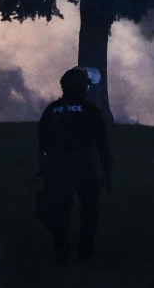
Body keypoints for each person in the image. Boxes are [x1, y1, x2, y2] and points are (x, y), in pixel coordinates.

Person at [36, 67, 112, 264]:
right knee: (89, 211)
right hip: (85, 169)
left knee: (61, 212)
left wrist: (45, 169)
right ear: (80, 88)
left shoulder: (51, 110)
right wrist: (107, 171)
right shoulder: (91, 111)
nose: (87, 89)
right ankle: (85, 253)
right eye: (85, 85)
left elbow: (42, 144)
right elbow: (102, 144)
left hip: (58, 169)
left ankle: (61, 250)